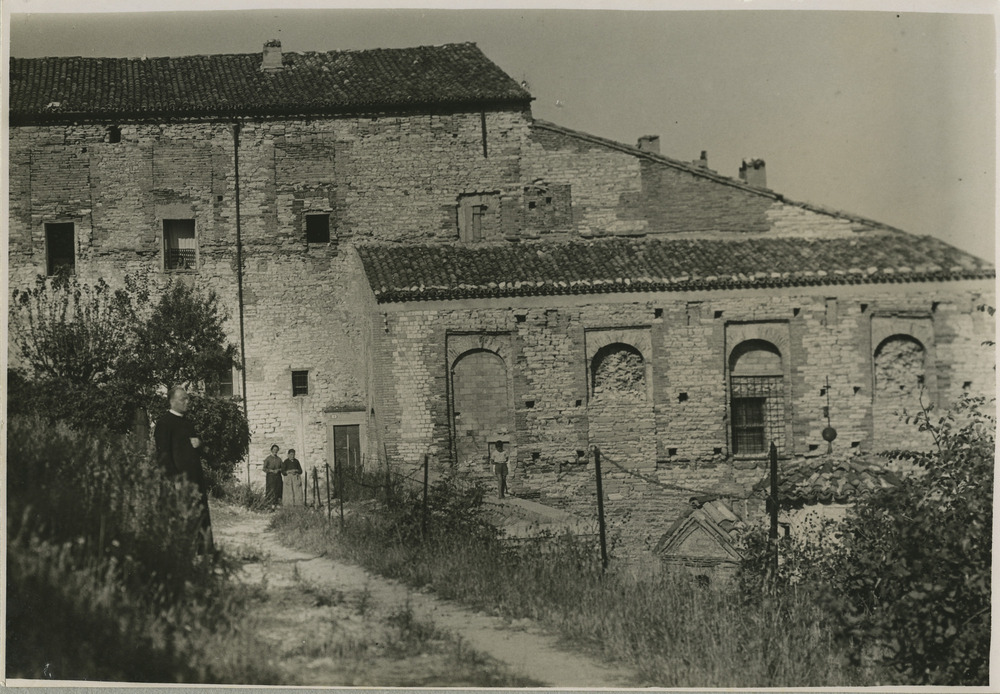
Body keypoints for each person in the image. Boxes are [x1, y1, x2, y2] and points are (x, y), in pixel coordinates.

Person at [154, 385, 214, 554]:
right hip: (179, 480)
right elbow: (163, 455)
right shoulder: (164, 423)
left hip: (195, 477)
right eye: (183, 399)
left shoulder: (188, 422)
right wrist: (174, 479)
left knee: (199, 513)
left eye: (188, 398)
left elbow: (198, 450)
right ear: (172, 401)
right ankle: (181, 555)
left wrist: (200, 444)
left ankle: (204, 551)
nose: (188, 402)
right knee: (181, 516)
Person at [263, 444, 284, 509]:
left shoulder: (279, 459)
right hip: (270, 477)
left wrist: (278, 470)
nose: (275, 451)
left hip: (278, 477)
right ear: (271, 450)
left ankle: (277, 504)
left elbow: (282, 468)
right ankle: (270, 505)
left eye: (276, 450)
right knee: (271, 490)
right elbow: (264, 468)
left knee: (278, 489)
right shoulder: (268, 459)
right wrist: (271, 470)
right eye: (274, 449)